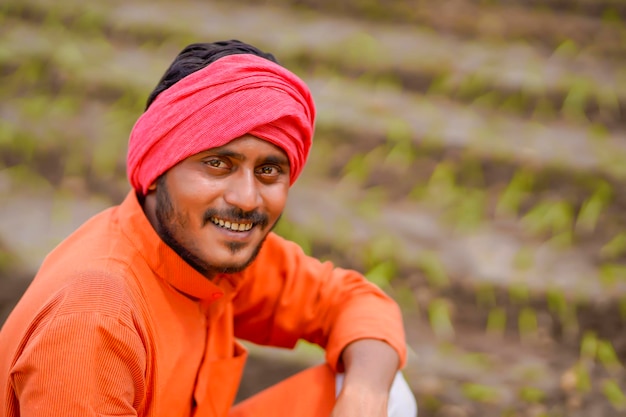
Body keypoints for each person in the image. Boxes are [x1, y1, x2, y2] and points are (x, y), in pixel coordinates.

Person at [0, 40, 417, 417]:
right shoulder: (95, 315)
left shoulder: (212, 249)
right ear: (160, 167)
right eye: (218, 164)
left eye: (269, 170)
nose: (246, 199)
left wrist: (363, 398)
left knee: (385, 391)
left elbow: (355, 302)